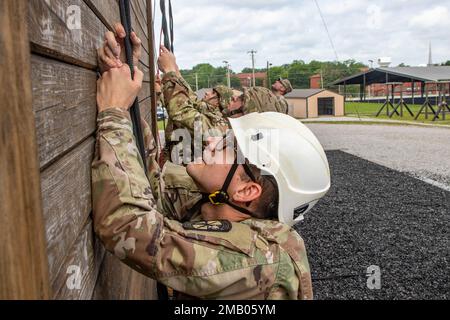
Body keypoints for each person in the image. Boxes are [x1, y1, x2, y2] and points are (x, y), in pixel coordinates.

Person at [93, 60, 331, 299]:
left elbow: (126, 227)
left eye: (229, 145)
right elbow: (156, 189)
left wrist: (113, 112)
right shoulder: (217, 203)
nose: (211, 141)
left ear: (246, 191)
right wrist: (125, 92)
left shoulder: (256, 258)